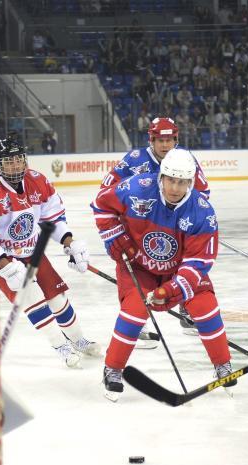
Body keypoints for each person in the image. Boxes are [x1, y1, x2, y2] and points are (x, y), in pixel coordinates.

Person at [92, 149, 233, 402]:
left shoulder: (202, 211)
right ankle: (112, 369)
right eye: (170, 180)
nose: (175, 187)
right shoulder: (137, 188)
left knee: (205, 307)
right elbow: (102, 205)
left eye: (182, 182)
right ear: (161, 177)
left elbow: (197, 264)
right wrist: (114, 236)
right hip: (139, 265)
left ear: (191, 182)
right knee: (133, 312)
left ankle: (222, 364)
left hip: (177, 269)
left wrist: (171, 290)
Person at [0, 136, 100, 367]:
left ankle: (78, 340)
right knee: (34, 299)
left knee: (57, 298)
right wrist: (7, 268)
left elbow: (54, 218)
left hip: (32, 251)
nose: (15, 165)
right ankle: (60, 346)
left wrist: (69, 243)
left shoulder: (38, 181)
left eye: (18, 159)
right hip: (1, 259)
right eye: (8, 161)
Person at [100, 117, 210, 339]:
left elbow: (203, 194)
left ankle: (188, 308)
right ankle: (136, 319)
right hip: (139, 230)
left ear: (176, 139)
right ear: (151, 139)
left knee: (186, 265)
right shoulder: (134, 160)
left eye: (169, 140)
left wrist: (194, 222)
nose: (165, 145)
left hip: (176, 230)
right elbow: (106, 190)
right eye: (160, 139)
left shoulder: (185, 159)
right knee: (134, 270)